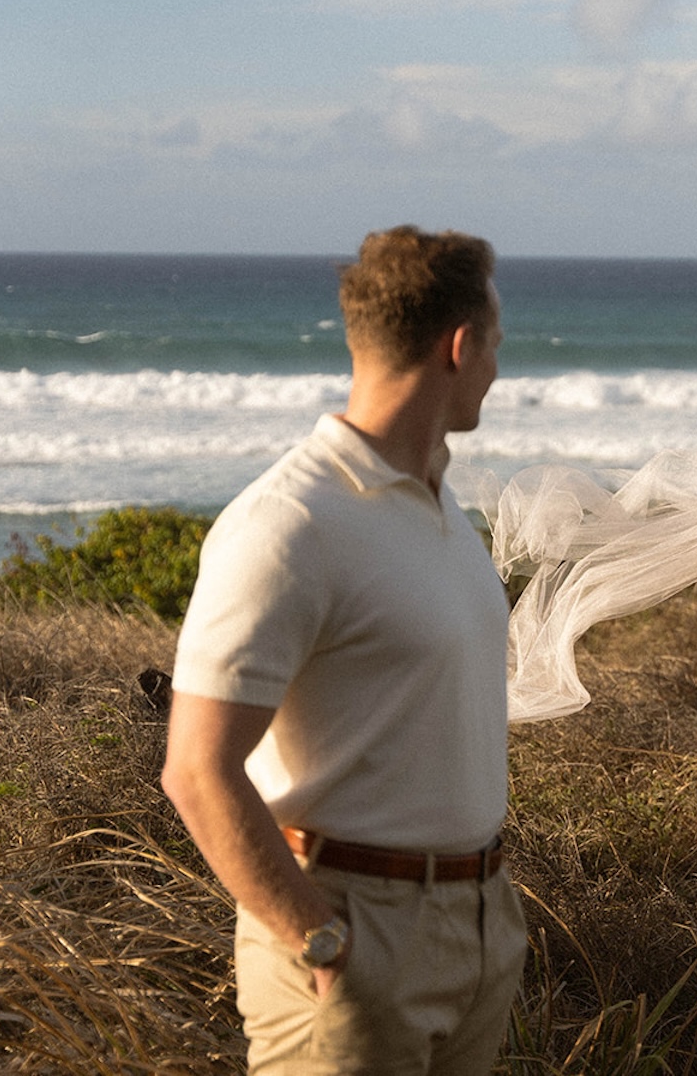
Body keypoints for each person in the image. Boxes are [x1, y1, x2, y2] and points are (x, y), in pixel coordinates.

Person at [160, 226, 525, 1075]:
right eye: (498, 344)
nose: (501, 371)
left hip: (480, 922)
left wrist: (491, 914)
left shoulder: (440, 508)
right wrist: (320, 941)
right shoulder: (289, 523)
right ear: (459, 346)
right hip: (351, 927)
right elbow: (196, 769)